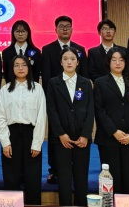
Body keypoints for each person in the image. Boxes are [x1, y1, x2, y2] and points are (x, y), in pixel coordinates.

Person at [41, 15, 89, 184]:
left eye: (67, 26)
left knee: (76, 132)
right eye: (61, 26)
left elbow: (84, 75)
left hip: (77, 100)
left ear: (72, 29)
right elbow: (46, 76)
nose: (64, 29)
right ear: (56, 29)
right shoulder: (48, 49)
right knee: (56, 135)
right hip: (56, 98)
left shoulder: (80, 49)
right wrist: (50, 100)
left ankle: (75, 169)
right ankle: (54, 170)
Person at [94, 47, 129, 194]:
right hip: (109, 139)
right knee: (112, 180)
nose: (118, 63)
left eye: (121, 60)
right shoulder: (100, 83)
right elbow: (99, 110)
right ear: (108, 62)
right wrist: (114, 131)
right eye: (114, 60)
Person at [0, 55, 46, 206]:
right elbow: (0, 117)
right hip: (11, 135)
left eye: (23, 65)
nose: (20, 68)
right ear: (12, 69)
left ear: (29, 67)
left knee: (32, 178)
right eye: (16, 65)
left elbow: (41, 117)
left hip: (31, 134)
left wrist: (37, 143)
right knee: (11, 177)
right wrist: (5, 142)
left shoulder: (37, 89)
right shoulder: (5, 90)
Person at [46, 47, 94, 207]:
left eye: (72, 59)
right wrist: (60, 134)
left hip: (82, 138)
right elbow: (51, 110)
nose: (69, 62)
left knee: (81, 177)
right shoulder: (53, 83)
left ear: (78, 62)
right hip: (61, 139)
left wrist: (85, 135)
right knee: (64, 177)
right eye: (65, 59)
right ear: (61, 62)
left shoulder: (86, 83)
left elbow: (91, 110)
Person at [2, 20, 42, 84]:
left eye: (23, 31)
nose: (20, 34)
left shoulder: (36, 52)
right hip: (12, 87)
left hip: (31, 87)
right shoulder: (6, 53)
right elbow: (6, 74)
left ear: (28, 33)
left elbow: (36, 73)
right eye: (17, 31)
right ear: (13, 33)